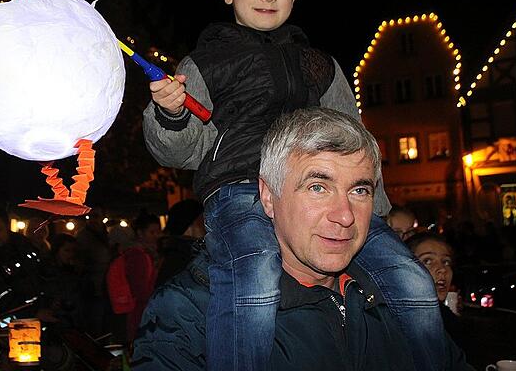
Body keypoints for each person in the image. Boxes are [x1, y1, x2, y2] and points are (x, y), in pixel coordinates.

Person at [142, 0, 443, 369]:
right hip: (239, 188)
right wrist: (170, 114)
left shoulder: (320, 65)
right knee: (256, 268)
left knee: (412, 277)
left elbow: (357, 143)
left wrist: (375, 207)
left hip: (322, 192)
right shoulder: (205, 64)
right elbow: (181, 151)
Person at [133, 108, 470, 370]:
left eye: (359, 190)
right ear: (268, 196)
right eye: (318, 187)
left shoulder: (400, 298)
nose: (345, 214)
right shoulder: (188, 311)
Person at [109, 212, 161, 344]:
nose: (156, 236)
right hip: (138, 313)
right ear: (140, 233)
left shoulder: (148, 253)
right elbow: (140, 291)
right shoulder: (138, 255)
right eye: (152, 232)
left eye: (158, 232)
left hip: (142, 311)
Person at [407, 232, 465, 348]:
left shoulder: (447, 321)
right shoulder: (393, 324)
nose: (442, 269)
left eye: (446, 262)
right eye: (428, 261)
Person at [155, 199, 204, 287]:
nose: (207, 225)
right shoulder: (184, 259)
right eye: (202, 220)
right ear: (190, 225)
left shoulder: (179, 254)